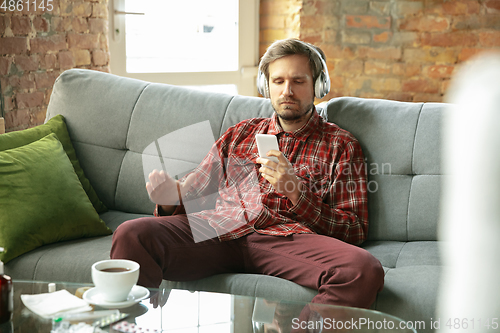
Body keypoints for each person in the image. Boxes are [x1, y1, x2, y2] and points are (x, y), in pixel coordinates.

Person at [111, 38, 384, 309]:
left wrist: (296, 193)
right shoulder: (240, 133)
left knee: (363, 270)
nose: (287, 91)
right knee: (132, 234)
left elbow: (354, 229)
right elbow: (195, 193)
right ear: (266, 86)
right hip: (220, 230)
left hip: (286, 239)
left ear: (318, 86)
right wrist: (171, 198)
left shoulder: (341, 145)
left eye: (298, 81)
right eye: (278, 81)